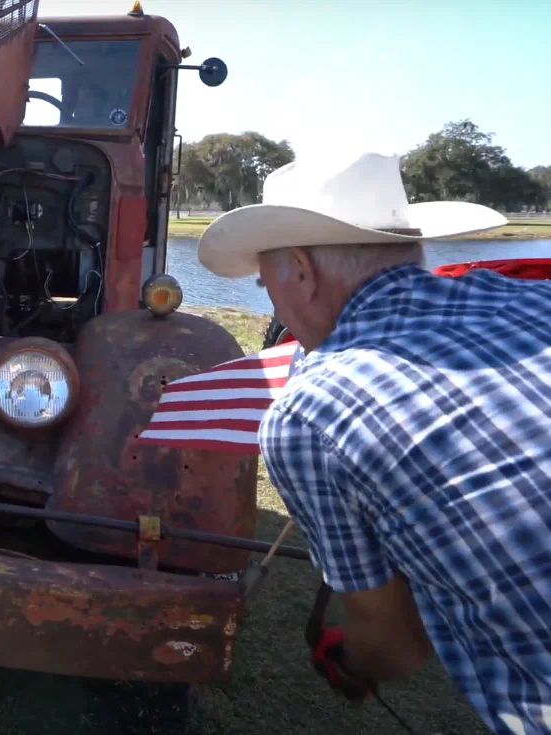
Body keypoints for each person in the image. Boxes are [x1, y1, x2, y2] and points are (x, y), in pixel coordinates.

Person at [196, 151, 551, 734]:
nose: (272, 303)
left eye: (266, 283)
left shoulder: (310, 413)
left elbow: (396, 647)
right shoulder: (533, 299)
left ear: (303, 274)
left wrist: (350, 659)